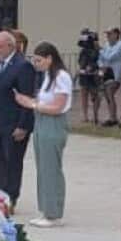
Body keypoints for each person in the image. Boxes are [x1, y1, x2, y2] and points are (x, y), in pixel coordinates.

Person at [12, 42, 71, 228]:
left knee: (51, 168)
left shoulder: (61, 77)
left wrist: (33, 105)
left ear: (49, 58)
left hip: (53, 123)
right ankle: (46, 209)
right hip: (41, 121)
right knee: (43, 167)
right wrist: (29, 101)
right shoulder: (48, 76)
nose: (36, 64)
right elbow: (43, 101)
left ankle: (53, 212)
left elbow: (58, 107)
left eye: (39, 60)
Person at [0, 30, 35, 205]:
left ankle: (11, 197)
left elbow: (27, 97)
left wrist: (23, 125)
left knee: (12, 162)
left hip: (15, 124)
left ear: (10, 46)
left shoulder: (23, 66)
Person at [97, 28, 121, 126]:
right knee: (107, 95)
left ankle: (113, 118)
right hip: (106, 73)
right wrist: (101, 66)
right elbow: (100, 59)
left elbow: (109, 58)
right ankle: (112, 118)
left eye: (109, 34)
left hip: (115, 75)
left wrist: (100, 50)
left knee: (109, 93)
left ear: (116, 34)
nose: (107, 36)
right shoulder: (106, 45)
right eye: (107, 34)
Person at [76, 33, 101, 124]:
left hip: (93, 76)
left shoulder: (97, 51)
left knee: (95, 96)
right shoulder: (83, 51)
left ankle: (95, 116)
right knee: (84, 95)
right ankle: (85, 116)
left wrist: (91, 66)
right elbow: (80, 62)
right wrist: (81, 68)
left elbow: (99, 62)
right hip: (84, 76)